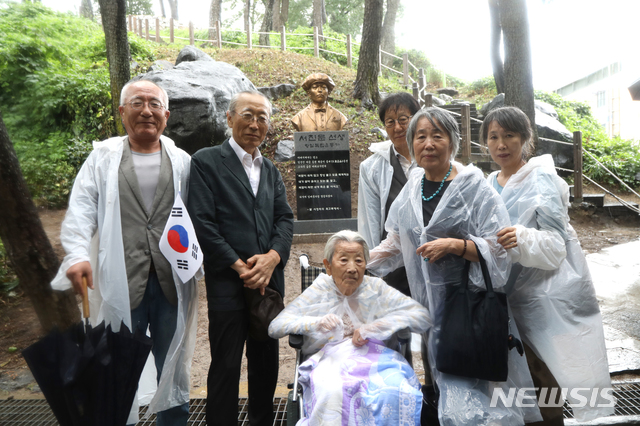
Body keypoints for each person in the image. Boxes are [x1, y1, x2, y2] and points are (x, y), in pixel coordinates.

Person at [367, 107, 542, 425]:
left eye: (438, 135)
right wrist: (356, 264)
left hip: (468, 308)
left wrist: (457, 246)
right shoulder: (413, 187)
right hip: (432, 312)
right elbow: (395, 242)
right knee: (449, 394)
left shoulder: (476, 190)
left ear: (453, 142)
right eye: (421, 136)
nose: (428, 143)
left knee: (468, 400)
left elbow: (501, 251)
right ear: (412, 142)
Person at [51, 80, 198, 426]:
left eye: (154, 104)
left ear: (166, 114)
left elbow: (199, 217)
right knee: (116, 367)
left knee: (173, 365)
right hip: (120, 278)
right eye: (137, 103)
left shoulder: (182, 161)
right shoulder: (103, 157)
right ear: (122, 112)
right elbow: (82, 208)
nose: (146, 110)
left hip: (171, 283)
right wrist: (75, 255)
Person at [482, 106, 613, 424]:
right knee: (516, 376)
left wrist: (522, 238)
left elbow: (556, 246)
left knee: (546, 373)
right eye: (494, 137)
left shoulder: (542, 181)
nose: (501, 144)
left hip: (545, 293)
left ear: (526, 139)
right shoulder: (489, 182)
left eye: (509, 136)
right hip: (505, 294)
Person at [187, 90, 294, 426]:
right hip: (228, 283)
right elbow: (202, 223)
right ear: (230, 118)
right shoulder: (205, 162)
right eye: (248, 115)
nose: (255, 124)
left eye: (262, 117)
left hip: (267, 285)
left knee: (265, 362)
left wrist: (273, 258)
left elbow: (284, 220)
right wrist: (240, 266)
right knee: (226, 364)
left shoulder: (271, 170)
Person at [268, 230, 432, 426]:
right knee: (333, 391)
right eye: (344, 260)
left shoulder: (376, 289)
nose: (352, 268)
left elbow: (422, 317)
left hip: (378, 360)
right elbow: (275, 326)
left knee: (395, 389)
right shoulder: (319, 290)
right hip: (330, 360)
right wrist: (314, 323)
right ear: (328, 266)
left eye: (359, 261)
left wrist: (376, 327)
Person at [358, 92, 421, 297]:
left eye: (403, 120)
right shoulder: (372, 167)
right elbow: (370, 219)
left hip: (434, 255)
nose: (397, 128)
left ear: (416, 119)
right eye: (390, 122)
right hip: (394, 260)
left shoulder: (433, 156)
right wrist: (371, 267)